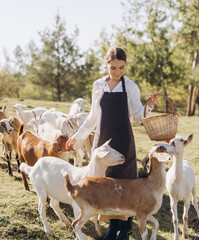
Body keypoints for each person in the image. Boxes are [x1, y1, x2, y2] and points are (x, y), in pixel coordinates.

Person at [66, 47, 158, 240]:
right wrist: (78, 136)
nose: (117, 72)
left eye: (122, 68)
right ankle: (112, 226)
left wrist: (148, 106)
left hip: (124, 140)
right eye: (113, 67)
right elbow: (93, 116)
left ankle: (125, 228)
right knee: (107, 184)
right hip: (103, 142)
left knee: (126, 185)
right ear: (106, 64)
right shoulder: (98, 85)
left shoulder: (131, 87)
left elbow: (137, 115)